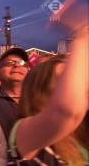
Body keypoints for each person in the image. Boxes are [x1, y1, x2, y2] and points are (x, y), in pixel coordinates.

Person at [8, 27, 89, 165]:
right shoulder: (23, 131)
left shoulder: (81, 129)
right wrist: (82, 37)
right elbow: (67, 111)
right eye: (66, 80)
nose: (80, 84)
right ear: (40, 89)